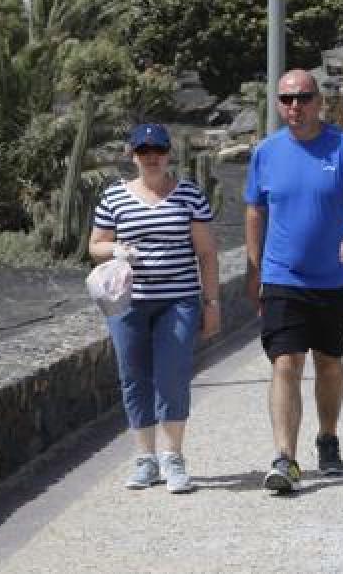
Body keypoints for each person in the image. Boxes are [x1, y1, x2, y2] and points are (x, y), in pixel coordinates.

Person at [245, 70, 343, 494]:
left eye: (303, 98)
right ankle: (285, 458)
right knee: (285, 362)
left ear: (318, 101)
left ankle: (328, 436)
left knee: (329, 363)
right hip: (284, 277)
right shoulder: (266, 152)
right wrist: (255, 272)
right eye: (286, 99)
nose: (294, 107)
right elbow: (254, 211)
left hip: (337, 280)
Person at [89, 123, 220, 494]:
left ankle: (173, 457)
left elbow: (207, 253)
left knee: (173, 376)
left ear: (168, 154)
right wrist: (116, 250)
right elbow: (95, 245)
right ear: (133, 155)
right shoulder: (114, 198)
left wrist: (211, 303)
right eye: (144, 151)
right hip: (127, 303)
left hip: (178, 301)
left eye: (158, 150)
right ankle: (145, 459)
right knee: (134, 376)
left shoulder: (190, 196)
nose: (151, 157)